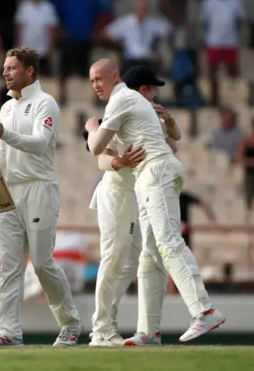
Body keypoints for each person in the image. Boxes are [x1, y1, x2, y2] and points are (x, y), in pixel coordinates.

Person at [84, 58, 225, 344]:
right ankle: (148, 332)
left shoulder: (123, 99)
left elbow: (96, 145)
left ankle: (204, 310)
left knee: (168, 242)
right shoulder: (130, 102)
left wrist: (91, 129)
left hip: (155, 172)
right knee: (149, 254)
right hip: (146, 178)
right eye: (92, 81)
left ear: (114, 77)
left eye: (100, 79)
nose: (96, 85)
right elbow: (102, 153)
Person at [0, 47, 81, 347]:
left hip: (39, 189)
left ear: (30, 71)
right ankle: (9, 331)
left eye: (11, 68)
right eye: (4, 68)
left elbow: (39, 144)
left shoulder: (45, 103)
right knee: (10, 266)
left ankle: (70, 323)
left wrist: (5, 134)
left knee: (43, 264)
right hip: (10, 194)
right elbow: (3, 151)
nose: (5, 73)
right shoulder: (7, 107)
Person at [85, 65, 181, 346]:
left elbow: (173, 147)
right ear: (143, 90)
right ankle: (101, 330)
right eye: (153, 88)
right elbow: (99, 156)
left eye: (98, 79)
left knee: (131, 263)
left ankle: (111, 325)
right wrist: (117, 161)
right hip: (115, 194)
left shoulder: (142, 118)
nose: (155, 94)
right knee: (114, 258)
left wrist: (170, 121)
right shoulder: (116, 113)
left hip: (135, 195)